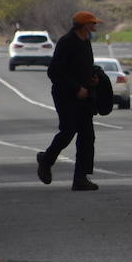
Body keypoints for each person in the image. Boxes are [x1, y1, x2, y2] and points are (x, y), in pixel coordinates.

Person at [37, 11, 103, 191]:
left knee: (87, 136)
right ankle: (46, 160)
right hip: (65, 96)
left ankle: (80, 178)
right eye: (93, 24)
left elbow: (84, 68)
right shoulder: (66, 43)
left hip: (85, 97)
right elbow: (54, 72)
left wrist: (92, 80)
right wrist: (76, 88)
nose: (95, 27)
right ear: (84, 25)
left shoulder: (86, 42)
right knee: (68, 131)